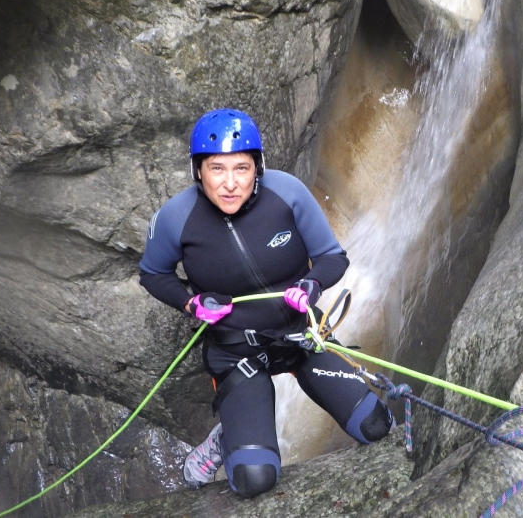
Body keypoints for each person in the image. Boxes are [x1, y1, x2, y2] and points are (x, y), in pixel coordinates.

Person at [138, 108, 393, 498]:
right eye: (216, 169)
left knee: (376, 427)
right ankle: (227, 437)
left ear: (257, 167)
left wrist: (311, 284)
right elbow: (152, 274)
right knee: (255, 480)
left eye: (241, 168)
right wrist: (192, 304)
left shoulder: (286, 194)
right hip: (236, 351)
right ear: (198, 171)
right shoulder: (176, 218)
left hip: (301, 336)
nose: (229, 183)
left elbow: (332, 257)